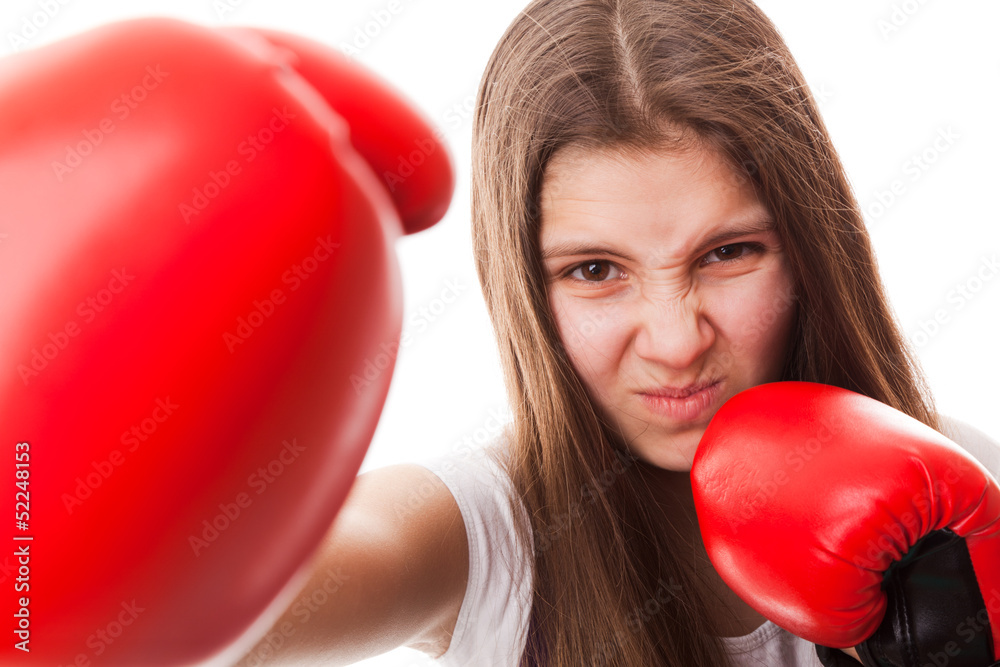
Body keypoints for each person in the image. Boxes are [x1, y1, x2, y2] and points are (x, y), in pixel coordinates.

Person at [233, 1, 1000, 666]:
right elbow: (222, 607)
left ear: (807, 251)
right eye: (596, 270)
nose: (675, 341)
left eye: (728, 252)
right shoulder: (483, 535)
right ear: (524, 287)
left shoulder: (964, 493)